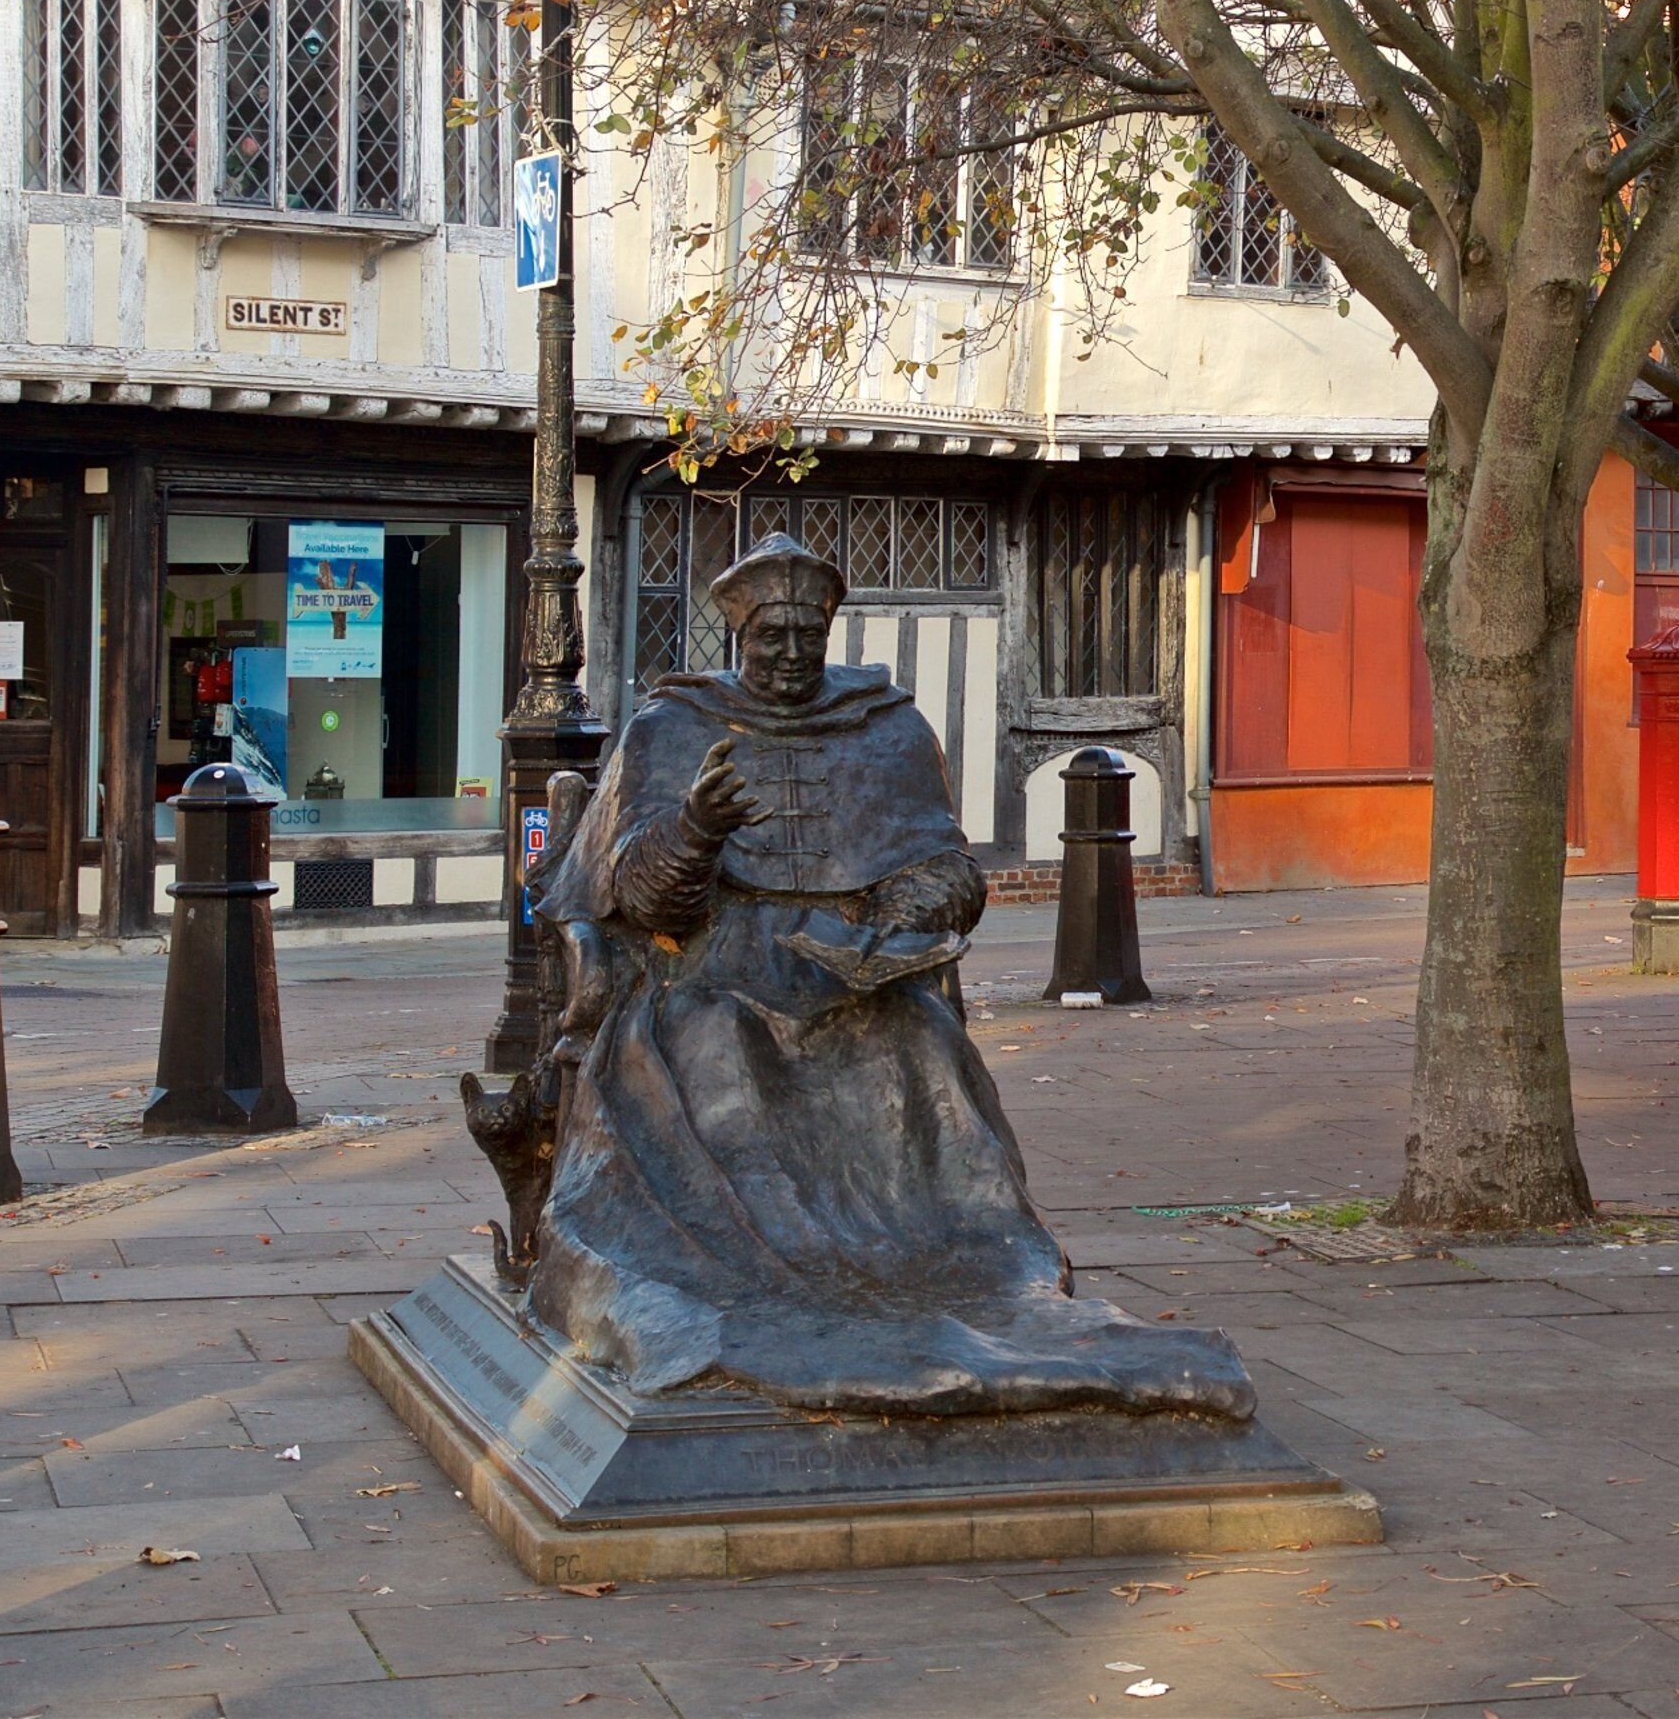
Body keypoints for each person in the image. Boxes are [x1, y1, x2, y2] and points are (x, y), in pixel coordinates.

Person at [529, 532, 1251, 1419]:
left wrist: (912, 908)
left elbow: (949, 867)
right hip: (713, 972)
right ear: (739, 639)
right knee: (720, 1048)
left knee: (922, 1046)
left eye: (805, 637)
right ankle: (765, 1278)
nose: (790, 656)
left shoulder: (888, 728)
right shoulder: (671, 729)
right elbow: (638, 901)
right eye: (771, 640)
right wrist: (696, 828)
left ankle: (953, 1270)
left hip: (856, 970)